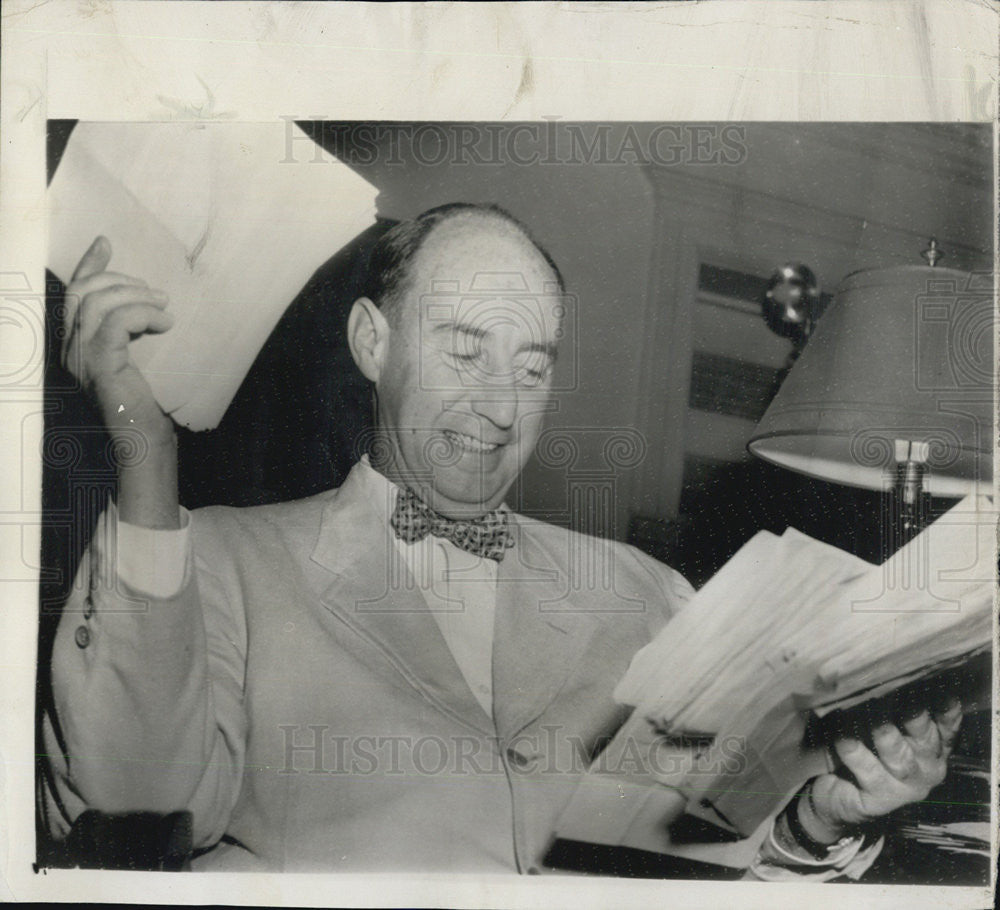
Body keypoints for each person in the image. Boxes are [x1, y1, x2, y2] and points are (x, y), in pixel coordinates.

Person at [42, 203, 963, 878]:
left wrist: (820, 815)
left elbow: (711, 856)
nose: (499, 405)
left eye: (531, 368)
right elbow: (128, 812)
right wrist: (143, 455)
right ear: (372, 342)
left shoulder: (650, 593)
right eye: (465, 350)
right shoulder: (218, 561)